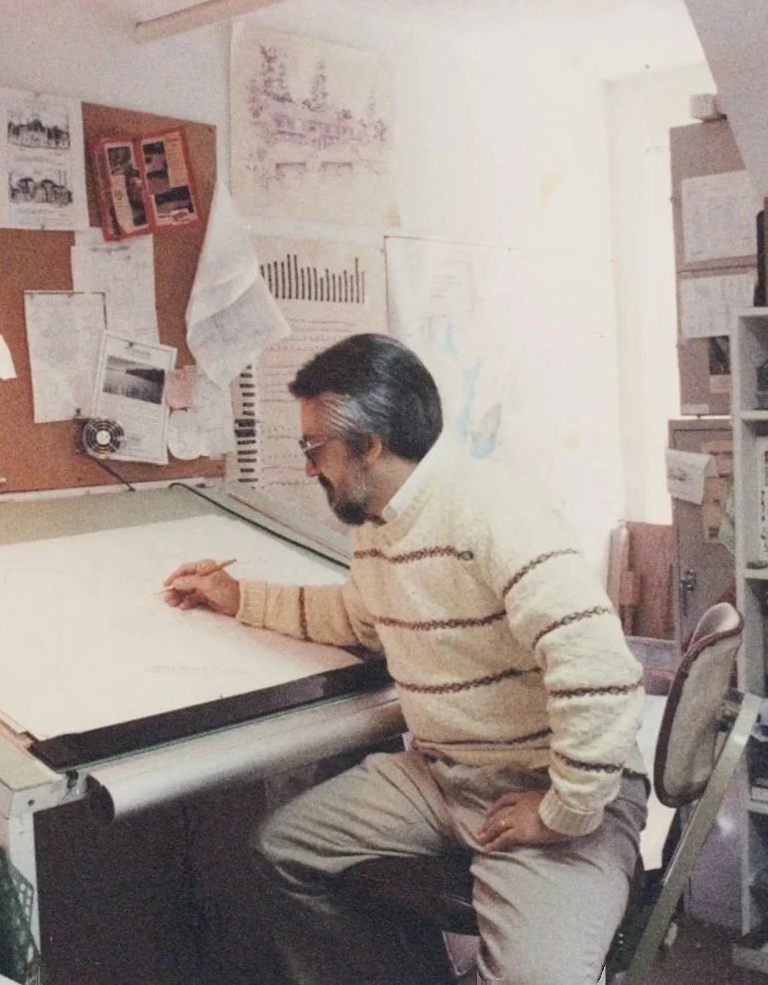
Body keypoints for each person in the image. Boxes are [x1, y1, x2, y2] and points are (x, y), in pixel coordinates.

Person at [163, 333, 646, 985]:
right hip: (445, 776)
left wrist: (564, 812)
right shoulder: (378, 525)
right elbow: (357, 617)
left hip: (549, 787)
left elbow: (601, 670)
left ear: (369, 445)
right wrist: (238, 597)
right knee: (287, 852)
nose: (310, 468)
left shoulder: (490, 511)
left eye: (315, 449)